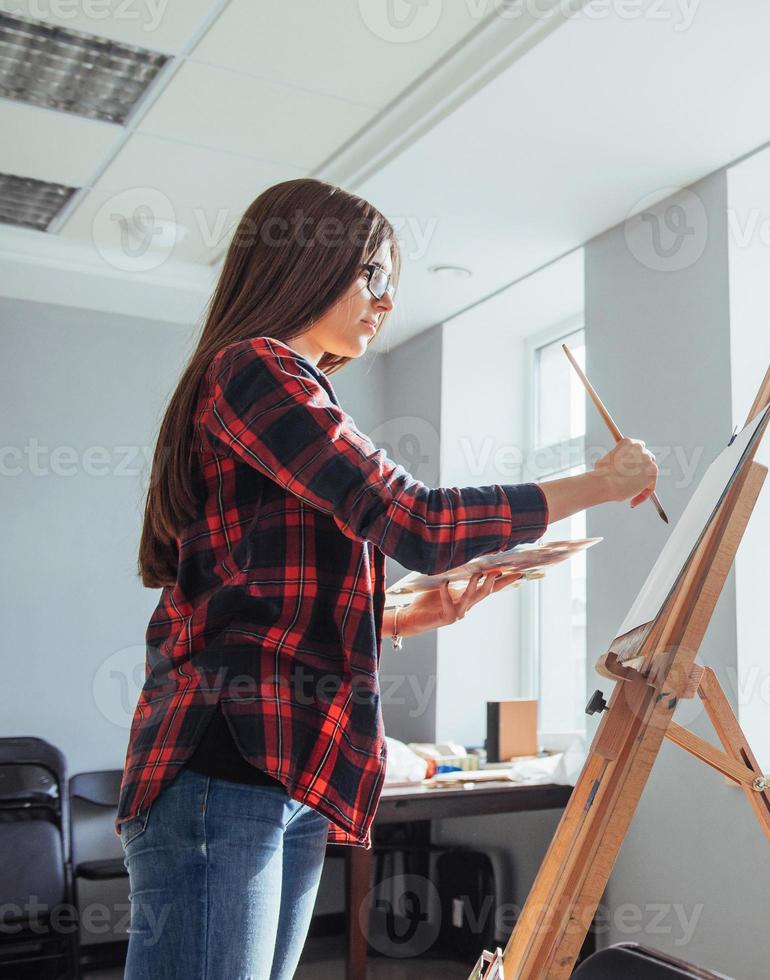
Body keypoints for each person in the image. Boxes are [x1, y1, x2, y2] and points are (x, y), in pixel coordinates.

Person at [115, 177, 658, 979]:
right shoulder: (255, 369)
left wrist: (402, 612)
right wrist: (597, 484)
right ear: (307, 260)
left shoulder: (286, 386)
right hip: (225, 762)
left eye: (391, 282)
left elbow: (261, 596)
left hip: (286, 765)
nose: (385, 300)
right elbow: (418, 520)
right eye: (373, 273)